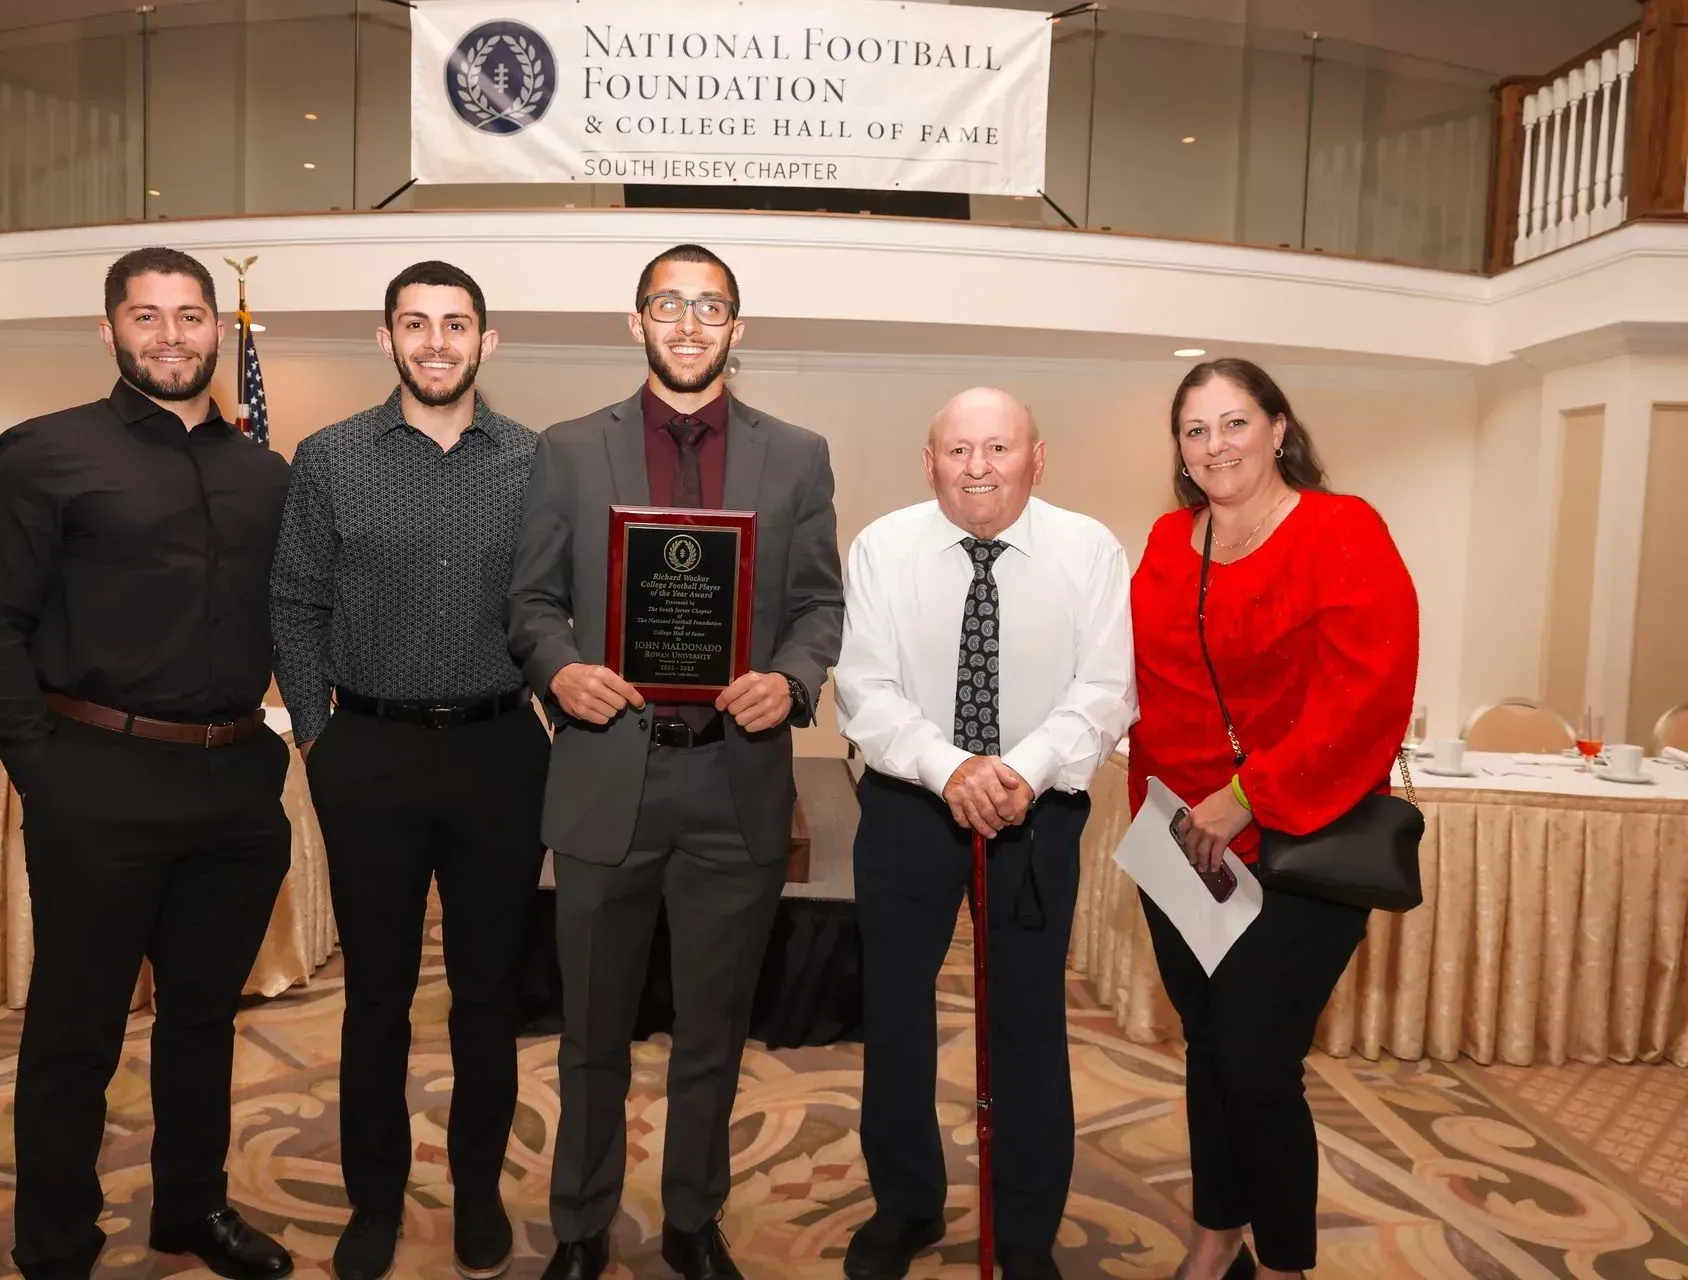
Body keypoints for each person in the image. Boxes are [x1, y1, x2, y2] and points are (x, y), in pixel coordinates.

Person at [0, 247, 296, 1280]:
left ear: (218, 332)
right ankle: (54, 1242)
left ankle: (192, 1207)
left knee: (203, 1018)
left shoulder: (266, 472)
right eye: (148, 317)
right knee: (76, 1027)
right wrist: (37, 765)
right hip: (94, 777)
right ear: (109, 332)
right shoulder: (45, 453)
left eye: (192, 317)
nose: (174, 335)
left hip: (235, 783)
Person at [507, 243, 843, 1280]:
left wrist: (787, 683)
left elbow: (821, 604)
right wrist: (561, 672)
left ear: (738, 329)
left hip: (734, 781)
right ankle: (578, 1226)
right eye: (669, 303)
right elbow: (528, 604)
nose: (690, 322)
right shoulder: (567, 448)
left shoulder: (797, 453)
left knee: (714, 1029)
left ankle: (695, 1218)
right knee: (592, 1031)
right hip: (610, 769)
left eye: (711, 307)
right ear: (635, 321)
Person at [268, 261, 544, 1280]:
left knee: (486, 991)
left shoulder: (533, 460)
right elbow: (295, 599)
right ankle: (373, 1200)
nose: (437, 341)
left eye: (456, 323)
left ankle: (477, 1191)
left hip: (500, 753)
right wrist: (315, 732)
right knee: (376, 993)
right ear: (385, 339)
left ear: (487, 340)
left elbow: (556, 606)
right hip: (367, 753)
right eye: (416, 323)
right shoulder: (330, 457)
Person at [833, 388, 1135, 1280]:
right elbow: (864, 689)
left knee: (1030, 1021)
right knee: (893, 1013)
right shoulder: (883, 547)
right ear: (928, 462)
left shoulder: (1089, 550)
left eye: (998, 449)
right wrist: (951, 769)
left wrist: (1022, 772)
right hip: (908, 807)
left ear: (1036, 460)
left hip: (1036, 815)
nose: (977, 468)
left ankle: (1027, 1228)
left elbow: (1108, 687)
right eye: (958, 451)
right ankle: (907, 1204)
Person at [1128, 358, 1418, 1280]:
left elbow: (1366, 695)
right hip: (1182, 842)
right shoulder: (1169, 541)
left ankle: (1285, 1260)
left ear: (1279, 429)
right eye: (1195, 430)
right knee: (1209, 1049)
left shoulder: (1342, 529)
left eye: (1235, 423)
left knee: (1257, 1059)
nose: (1216, 445)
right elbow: (1140, 678)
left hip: (1299, 837)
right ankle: (1217, 1235)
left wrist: (1246, 793)